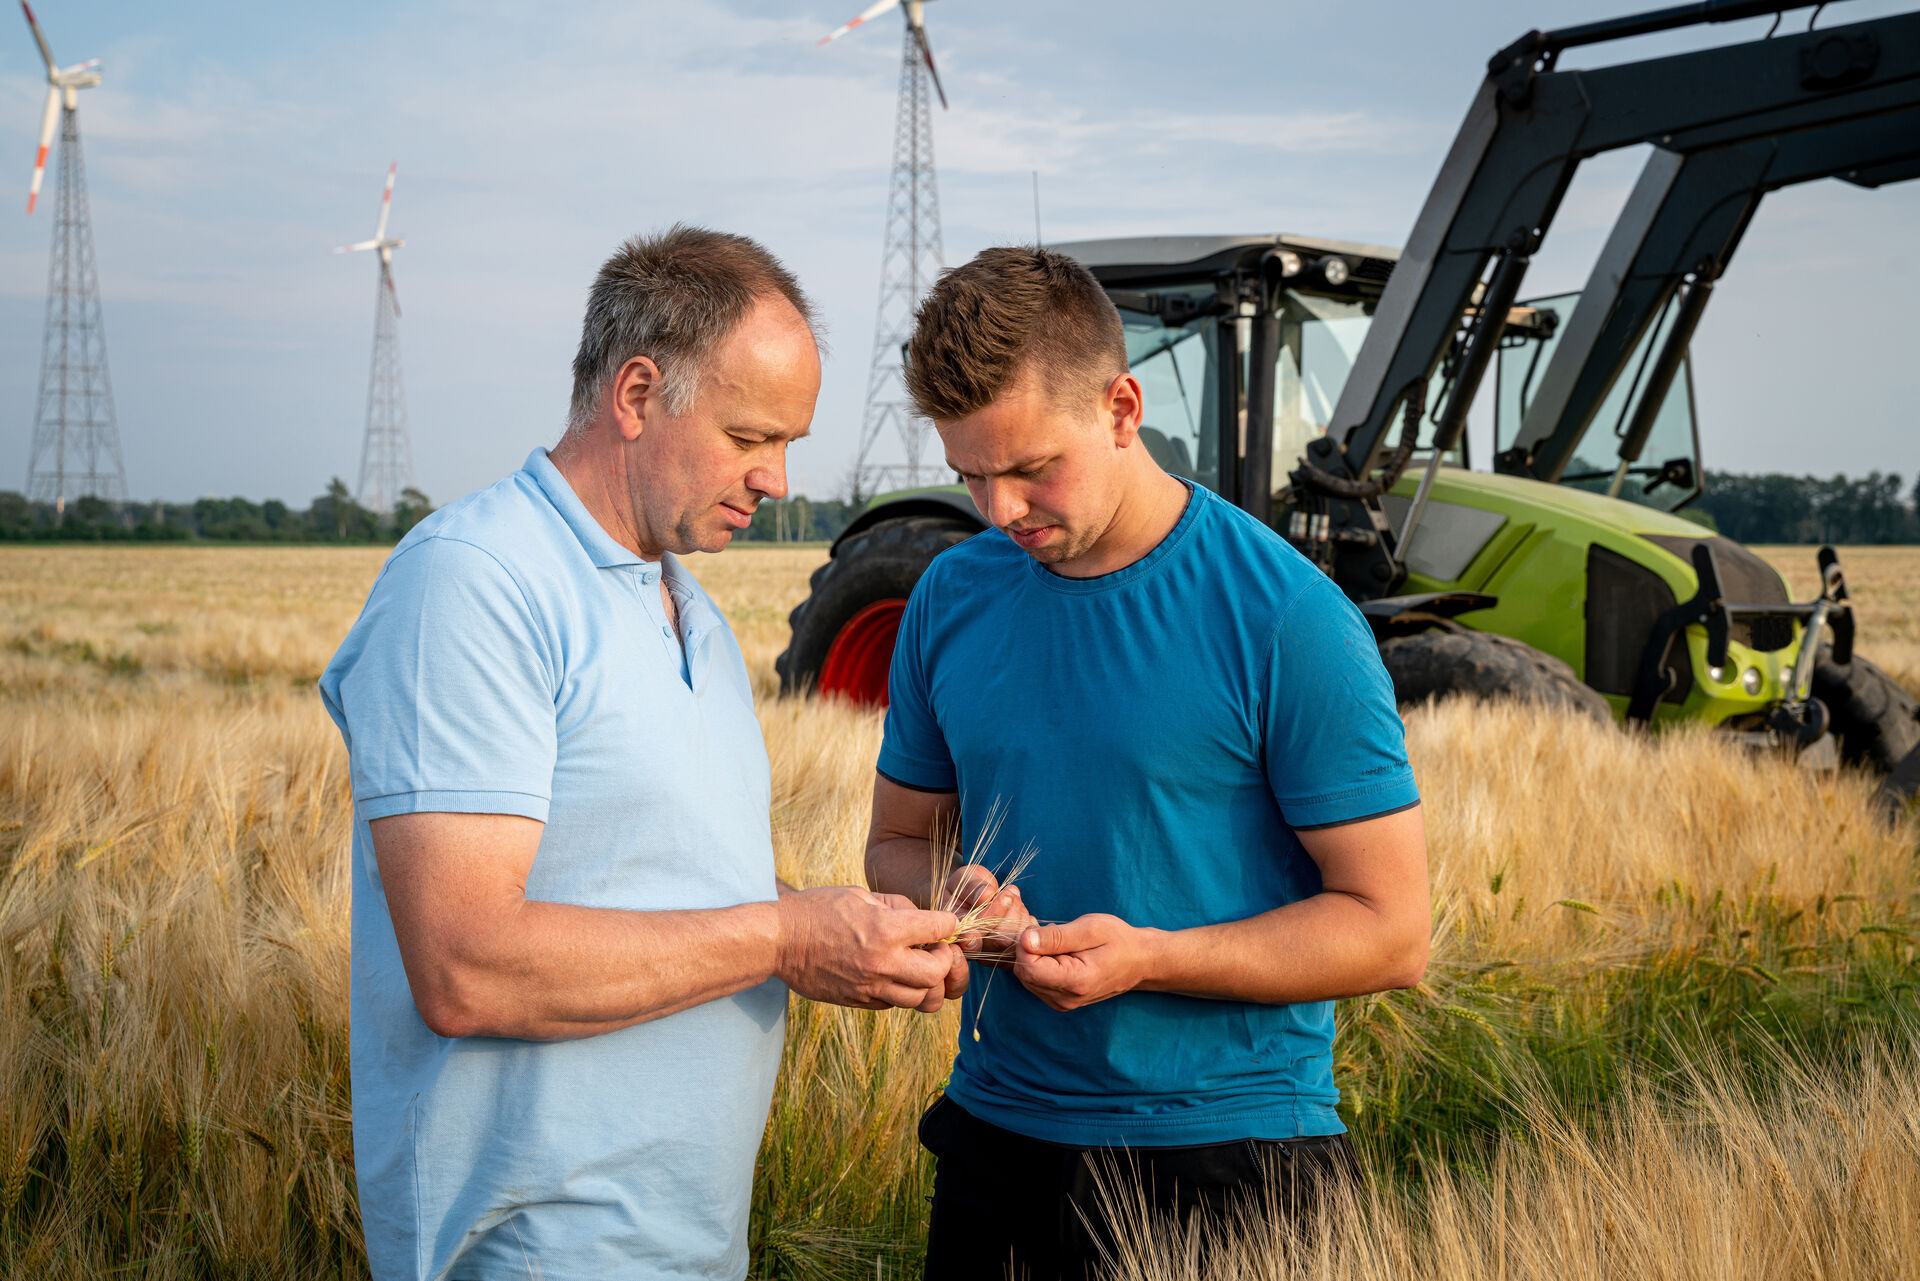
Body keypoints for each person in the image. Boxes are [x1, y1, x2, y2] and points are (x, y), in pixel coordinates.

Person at [320, 225, 964, 1281]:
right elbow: (466, 967)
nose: (778, 479)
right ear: (635, 395)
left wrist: (857, 929)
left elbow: (663, 887)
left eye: (791, 442)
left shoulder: (689, 610)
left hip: (685, 1243)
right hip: (531, 1249)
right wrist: (785, 939)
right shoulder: (475, 583)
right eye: (752, 435)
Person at [864, 247, 1432, 1280]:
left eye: (1033, 467)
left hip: (1232, 1164)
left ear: (1122, 407)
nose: (1000, 510)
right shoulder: (949, 599)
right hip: (996, 1141)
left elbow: (1391, 934)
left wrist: (1152, 957)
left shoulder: (1288, 618)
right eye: (970, 474)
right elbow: (899, 842)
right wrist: (955, 900)